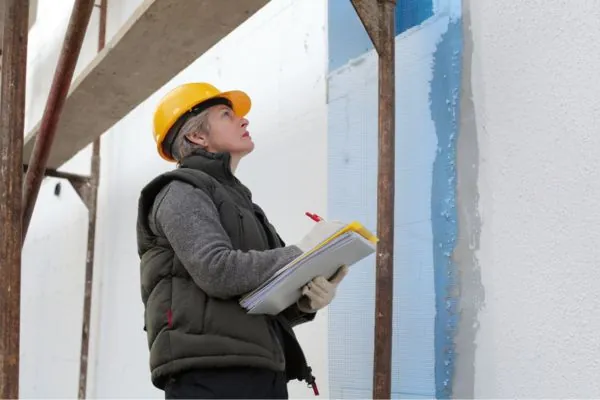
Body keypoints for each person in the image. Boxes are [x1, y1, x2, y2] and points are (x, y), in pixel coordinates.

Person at [136, 82, 348, 399]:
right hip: (210, 374)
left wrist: (304, 301)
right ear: (197, 136)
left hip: (261, 369)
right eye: (226, 115)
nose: (243, 120)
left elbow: (264, 297)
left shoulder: (245, 206)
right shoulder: (180, 191)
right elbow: (216, 271)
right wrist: (302, 254)